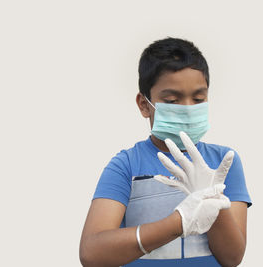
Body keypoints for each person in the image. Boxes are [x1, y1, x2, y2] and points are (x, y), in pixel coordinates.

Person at [79, 37, 252, 267]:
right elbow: (92, 253)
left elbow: (232, 258)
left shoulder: (224, 162)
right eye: (172, 100)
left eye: (198, 98)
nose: (188, 109)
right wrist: (177, 224)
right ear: (144, 105)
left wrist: (213, 200)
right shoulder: (126, 164)